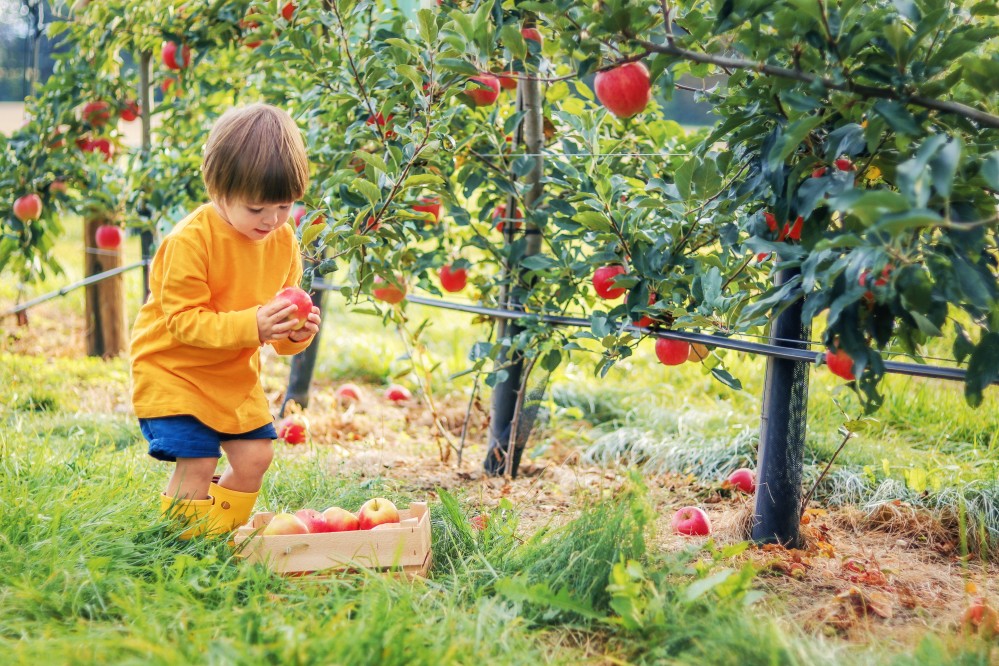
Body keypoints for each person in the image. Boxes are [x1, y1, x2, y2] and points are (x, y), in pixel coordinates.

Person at [130, 103, 320, 539]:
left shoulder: (283, 240)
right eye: (256, 209)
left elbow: (278, 329)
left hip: (232, 373)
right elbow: (183, 321)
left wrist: (295, 334)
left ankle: (219, 537)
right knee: (197, 461)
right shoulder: (190, 242)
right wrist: (254, 325)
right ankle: (182, 549)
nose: (271, 220)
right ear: (219, 191)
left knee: (255, 459)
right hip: (175, 369)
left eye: (284, 205)